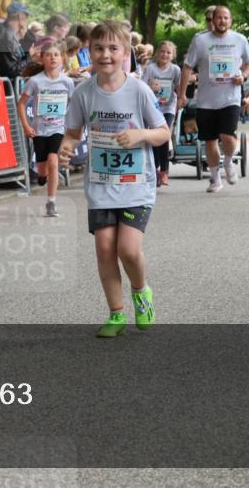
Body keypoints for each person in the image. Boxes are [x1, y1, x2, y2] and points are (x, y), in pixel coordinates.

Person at [59, 21, 169, 338]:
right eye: (98, 48)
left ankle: (141, 291)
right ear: (89, 52)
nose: (105, 54)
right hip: (101, 185)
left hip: (136, 185)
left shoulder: (138, 90)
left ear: (125, 53)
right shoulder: (83, 93)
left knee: (128, 250)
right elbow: (72, 133)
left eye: (113, 48)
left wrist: (140, 135)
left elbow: (163, 133)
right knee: (105, 249)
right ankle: (116, 312)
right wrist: (66, 148)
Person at [177, 5, 249, 193]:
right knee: (210, 141)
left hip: (230, 98)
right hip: (206, 100)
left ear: (231, 20)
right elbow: (187, 67)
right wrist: (181, 94)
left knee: (227, 136)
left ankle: (227, 161)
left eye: (226, 18)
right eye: (219, 17)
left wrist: (244, 75)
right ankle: (215, 179)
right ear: (213, 20)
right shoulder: (200, 40)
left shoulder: (240, 39)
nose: (222, 21)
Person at [17, 41, 75, 217]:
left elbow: (74, 105)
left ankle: (51, 202)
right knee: (42, 168)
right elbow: (21, 104)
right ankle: (42, 176)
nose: (53, 58)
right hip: (39, 130)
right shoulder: (35, 81)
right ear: (42, 59)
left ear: (62, 58)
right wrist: (26, 125)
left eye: (56, 55)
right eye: (48, 55)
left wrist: (72, 128)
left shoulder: (67, 82)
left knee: (53, 161)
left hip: (58, 128)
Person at [141, 41, 181, 186]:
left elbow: (179, 87)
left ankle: (164, 171)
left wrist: (182, 97)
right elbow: (141, 86)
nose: (165, 55)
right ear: (157, 53)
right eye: (162, 51)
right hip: (153, 108)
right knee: (154, 138)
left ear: (173, 55)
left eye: (168, 52)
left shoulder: (175, 70)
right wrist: (150, 87)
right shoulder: (150, 69)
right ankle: (155, 169)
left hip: (168, 107)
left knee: (164, 135)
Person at [0, 2, 30, 79]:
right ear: (19, 17)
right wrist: (30, 59)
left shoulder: (9, 33)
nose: (26, 21)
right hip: (5, 84)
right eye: (25, 17)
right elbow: (12, 70)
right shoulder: (5, 36)